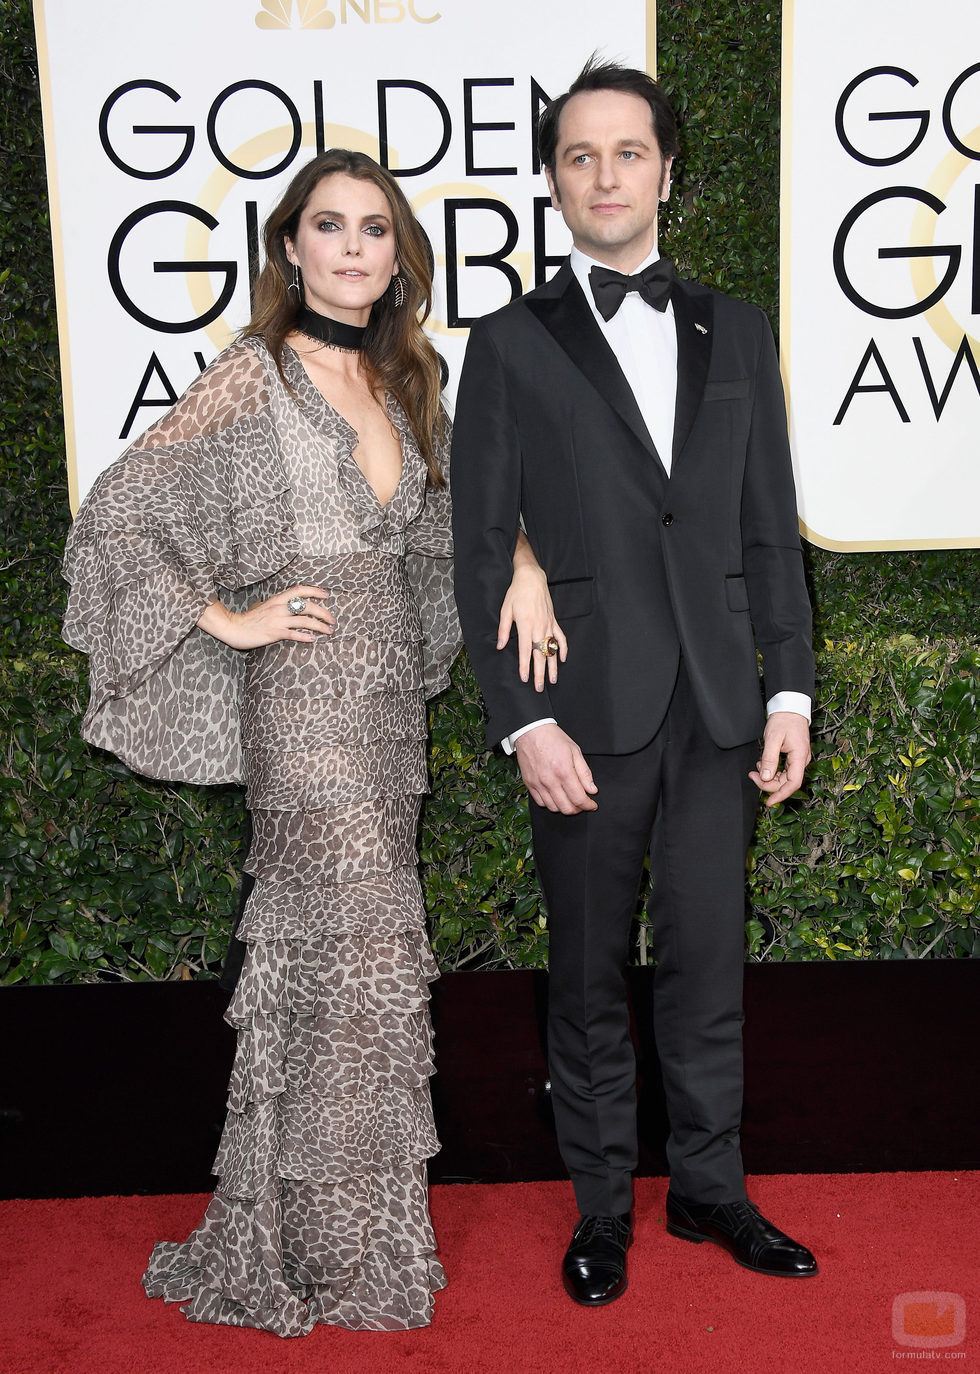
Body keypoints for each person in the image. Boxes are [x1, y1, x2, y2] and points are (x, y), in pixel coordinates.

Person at [62, 148, 556, 1336]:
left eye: (372, 229)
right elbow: (120, 511)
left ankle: (335, 1232)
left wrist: (528, 561)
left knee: (352, 974)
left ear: (397, 256)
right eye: (326, 226)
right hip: (302, 708)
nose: (349, 247)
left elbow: (449, 528)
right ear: (290, 249)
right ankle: (323, 1244)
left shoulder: (403, 384)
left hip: (387, 719)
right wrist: (229, 613)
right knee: (358, 957)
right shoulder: (250, 376)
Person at [451, 59, 819, 1306]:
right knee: (588, 976)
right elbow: (476, 541)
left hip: (722, 709)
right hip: (582, 712)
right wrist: (523, 721)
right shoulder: (504, 345)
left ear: (667, 170)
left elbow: (768, 527)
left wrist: (789, 693)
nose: (603, 175)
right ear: (552, 182)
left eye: (627, 151)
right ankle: (600, 1209)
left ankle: (710, 1192)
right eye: (577, 155)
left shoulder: (737, 325)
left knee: (707, 967)